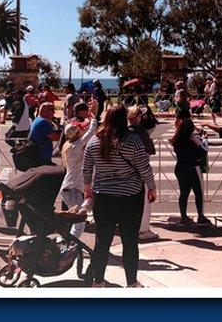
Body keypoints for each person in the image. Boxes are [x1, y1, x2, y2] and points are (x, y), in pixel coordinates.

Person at [82, 105, 157, 288]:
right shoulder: (133, 141)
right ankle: (131, 282)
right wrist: (152, 188)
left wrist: (87, 188)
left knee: (102, 240)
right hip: (129, 196)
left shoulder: (94, 141)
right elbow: (144, 168)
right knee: (130, 241)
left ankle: (98, 281)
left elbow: (86, 168)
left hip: (103, 195)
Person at [59, 99, 98, 237]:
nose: (83, 130)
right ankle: (70, 245)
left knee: (80, 217)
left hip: (71, 188)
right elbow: (91, 131)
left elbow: (88, 131)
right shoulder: (76, 146)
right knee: (80, 222)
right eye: (81, 129)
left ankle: (69, 242)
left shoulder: (70, 144)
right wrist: (93, 115)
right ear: (77, 134)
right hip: (73, 189)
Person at [170, 117, 212, 226]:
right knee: (198, 193)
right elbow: (203, 151)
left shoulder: (177, 139)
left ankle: (183, 216)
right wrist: (204, 140)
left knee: (184, 193)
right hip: (193, 168)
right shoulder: (191, 140)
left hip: (180, 168)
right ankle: (201, 217)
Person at [128, 105, 161, 240]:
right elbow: (150, 151)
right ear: (138, 117)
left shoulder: (124, 131)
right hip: (140, 170)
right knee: (145, 202)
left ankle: (132, 227)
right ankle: (143, 230)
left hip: (127, 171)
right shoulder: (141, 132)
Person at [27, 102, 60, 166]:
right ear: (45, 110)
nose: (54, 113)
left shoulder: (38, 119)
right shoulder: (43, 122)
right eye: (52, 110)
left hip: (37, 154)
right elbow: (55, 137)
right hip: (42, 156)